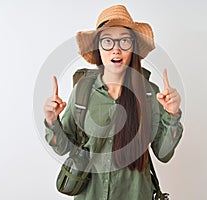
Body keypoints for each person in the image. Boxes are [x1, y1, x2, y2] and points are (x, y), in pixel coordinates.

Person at [44, 5, 183, 200]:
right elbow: (64, 147)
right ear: (98, 49)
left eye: (124, 41)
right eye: (107, 41)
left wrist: (172, 115)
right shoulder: (82, 92)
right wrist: (52, 120)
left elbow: (163, 154)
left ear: (133, 47)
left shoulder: (149, 93)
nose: (116, 49)